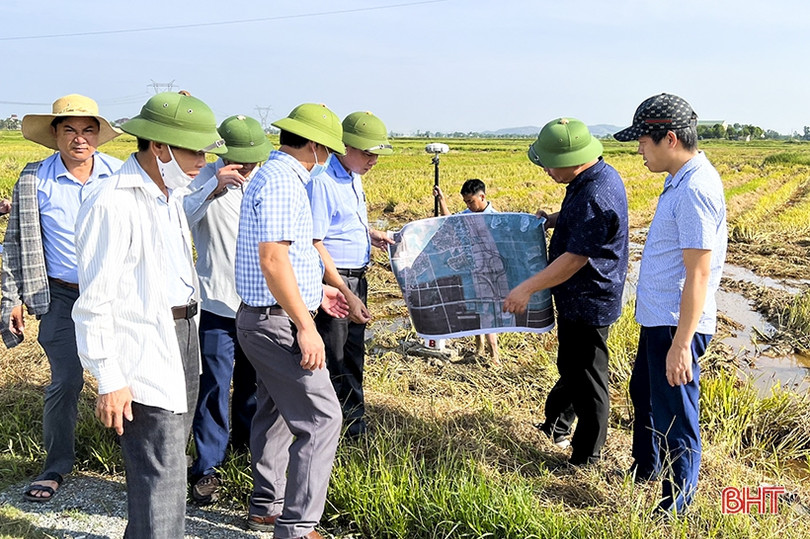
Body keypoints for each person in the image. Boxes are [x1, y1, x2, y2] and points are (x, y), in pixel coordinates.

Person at [72, 91, 227, 536]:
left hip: (182, 335)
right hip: (142, 349)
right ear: (158, 147)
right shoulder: (113, 202)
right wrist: (109, 377)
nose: (203, 160)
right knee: (161, 474)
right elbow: (94, 301)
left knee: (169, 463)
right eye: (194, 150)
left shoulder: (168, 197)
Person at [235, 103, 349, 539]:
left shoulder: (272, 174)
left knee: (277, 411)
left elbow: (286, 258)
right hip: (277, 322)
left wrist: (319, 291)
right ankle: (298, 527)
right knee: (322, 419)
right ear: (317, 146)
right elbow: (272, 259)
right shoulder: (284, 183)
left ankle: (267, 506)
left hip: (263, 316)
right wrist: (305, 325)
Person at [0, 94, 122, 502]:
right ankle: (55, 467)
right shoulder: (35, 179)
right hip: (60, 296)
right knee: (65, 381)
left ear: (98, 136)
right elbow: (15, 243)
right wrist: (12, 297)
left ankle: (134, 464)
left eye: (88, 130)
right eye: (69, 129)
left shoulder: (119, 175)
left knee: (130, 377)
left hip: (117, 295)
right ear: (55, 135)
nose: (79, 138)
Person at [614, 93, 726, 515]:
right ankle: (646, 470)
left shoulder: (696, 188)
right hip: (659, 318)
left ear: (670, 138)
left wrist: (681, 344)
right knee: (643, 393)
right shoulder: (679, 179)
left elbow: (698, 272)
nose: (639, 150)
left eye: (643, 141)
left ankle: (675, 505)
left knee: (676, 415)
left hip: (677, 325)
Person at [503, 118, 628, 466]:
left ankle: (587, 455)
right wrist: (552, 219)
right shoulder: (590, 177)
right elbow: (578, 221)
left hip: (589, 298)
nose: (545, 170)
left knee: (589, 379)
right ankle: (555, 426)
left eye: (547, 163)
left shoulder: (595, 194)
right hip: (576, 297)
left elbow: (574, 259)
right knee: (572, 367)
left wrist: (526, 288)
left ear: (572, 158)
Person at [183, 114, 273, 504]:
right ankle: (207, 467)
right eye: (242, 159)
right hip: (216, 302)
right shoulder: (201, 179)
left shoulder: (267, 182)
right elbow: (179, 219)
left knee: (254, 384)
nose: (248, 166)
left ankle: (246, 451)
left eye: (254, 158)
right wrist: (213, 190)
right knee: (215, 385)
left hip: (257, 303)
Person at [307, 110, 395, 439]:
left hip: (356, 278)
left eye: (376, 154)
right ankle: (333, 427)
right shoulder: (323, 182)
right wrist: (345, 291)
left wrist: (371, 235)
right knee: (334, 356)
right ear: (344, 147)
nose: (373, 160)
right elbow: (315, 241)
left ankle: (353, 421)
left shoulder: (353, 177)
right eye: (368, 153)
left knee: (353, 353)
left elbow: (340, 226)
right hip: (336, 281)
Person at [434, 179, 500, 363]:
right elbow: (451, 223)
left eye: (471, 201)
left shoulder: (496, 218)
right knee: (474, 310)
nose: (469, 205)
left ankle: (494, 356)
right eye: (466, 202)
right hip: (470, 270)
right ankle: (478, 349)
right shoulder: (466, 215)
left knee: (488, 313)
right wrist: (442, 201)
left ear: (482, 196)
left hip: (489, 273)